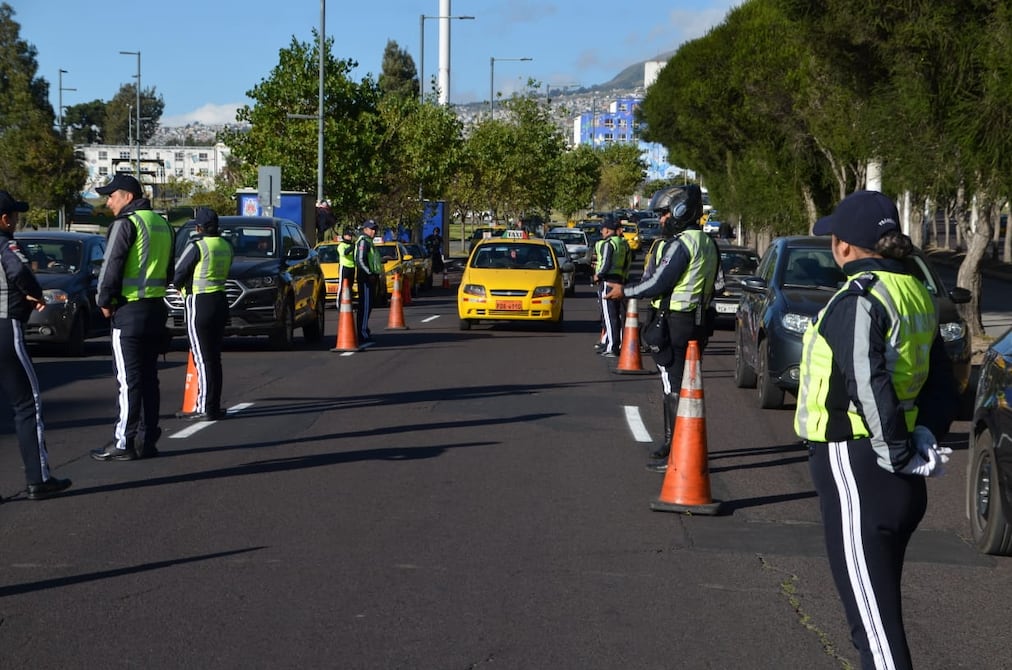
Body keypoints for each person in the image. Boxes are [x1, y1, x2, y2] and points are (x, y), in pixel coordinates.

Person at [794, 190, 957, 670]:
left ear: (844, 246)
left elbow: (868, 382)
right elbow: (943, 381)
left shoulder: (859, 298)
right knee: (876, 622)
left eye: (833, 240)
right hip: (897, 471)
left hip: (859, 465)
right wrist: (924, 433)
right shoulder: (917, 294)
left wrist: (897, 451)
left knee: (876, 635)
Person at [603, 185, 719, 471]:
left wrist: (625, 291)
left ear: (680, 212)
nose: (662, 219)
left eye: (665, 213)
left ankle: (676, 453)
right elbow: (718, 284)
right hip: (699, 321)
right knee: (687, 384)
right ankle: (675, 446)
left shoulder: (682, 244)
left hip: (675, 321)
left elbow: (658, 283)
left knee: (673, 385)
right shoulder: (708, 243)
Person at [91, 174, 174, 462]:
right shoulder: (162, 224)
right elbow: (170, 270)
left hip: (129, 311)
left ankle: (124, 441)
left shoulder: (126, 223)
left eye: (111, 195)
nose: (108, 201)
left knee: (129, 380)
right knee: (150, 379)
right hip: (156, 310)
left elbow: (112, 263)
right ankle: (147, 439)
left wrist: (104, 299)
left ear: (127, 196)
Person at [0, 190, 72, 501]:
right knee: (27, 403)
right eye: (14, 215)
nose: (17, 220)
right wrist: (35, 294)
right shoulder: (6, 244)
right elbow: (19, 271)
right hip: (6, 327)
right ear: (4, 219)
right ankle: (38, 478)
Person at [172, 207, 233, 422]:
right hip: (220, 300)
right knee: (214, 357)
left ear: (198, 227)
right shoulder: (226, 245)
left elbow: (178, 273)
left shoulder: (197, 246)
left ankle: (205, 407)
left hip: (199, 302)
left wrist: (182, 291)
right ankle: (213, 405)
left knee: (201, 358)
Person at [593, 216, 631, 357]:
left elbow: (606, 263)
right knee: (618, 315)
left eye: (603, 229)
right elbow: (628, 263)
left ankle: (611, 347)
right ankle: (615, 342)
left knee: (609, 316)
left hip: (608, 282)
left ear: (608, 230)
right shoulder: (623, 244)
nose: (601, 232)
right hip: (620, 281)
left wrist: (599, 275)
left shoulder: (608, 244)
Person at [354, 220, 383, 343]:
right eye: (371, 229)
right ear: (365, 229)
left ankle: (364, 329)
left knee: (369, 305)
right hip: (365, 278)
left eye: (375, 229)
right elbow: (360, 260)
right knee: (365, 306)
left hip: (371, 278)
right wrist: (369, 273)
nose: (374, 231)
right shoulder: (363, 242)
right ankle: (362, 332)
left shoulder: (369, 242)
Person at [336, 227, 357, 304]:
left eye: (351, 235)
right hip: (344, 267)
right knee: (342, 286)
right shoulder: (341, 245)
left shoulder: (352, 245)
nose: (350, 237)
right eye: (349, 235)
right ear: (344, 236)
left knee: (350, 287)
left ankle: (348, 304)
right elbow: (345, 253)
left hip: (352, 267)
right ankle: (339, 304)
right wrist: (352, 247)